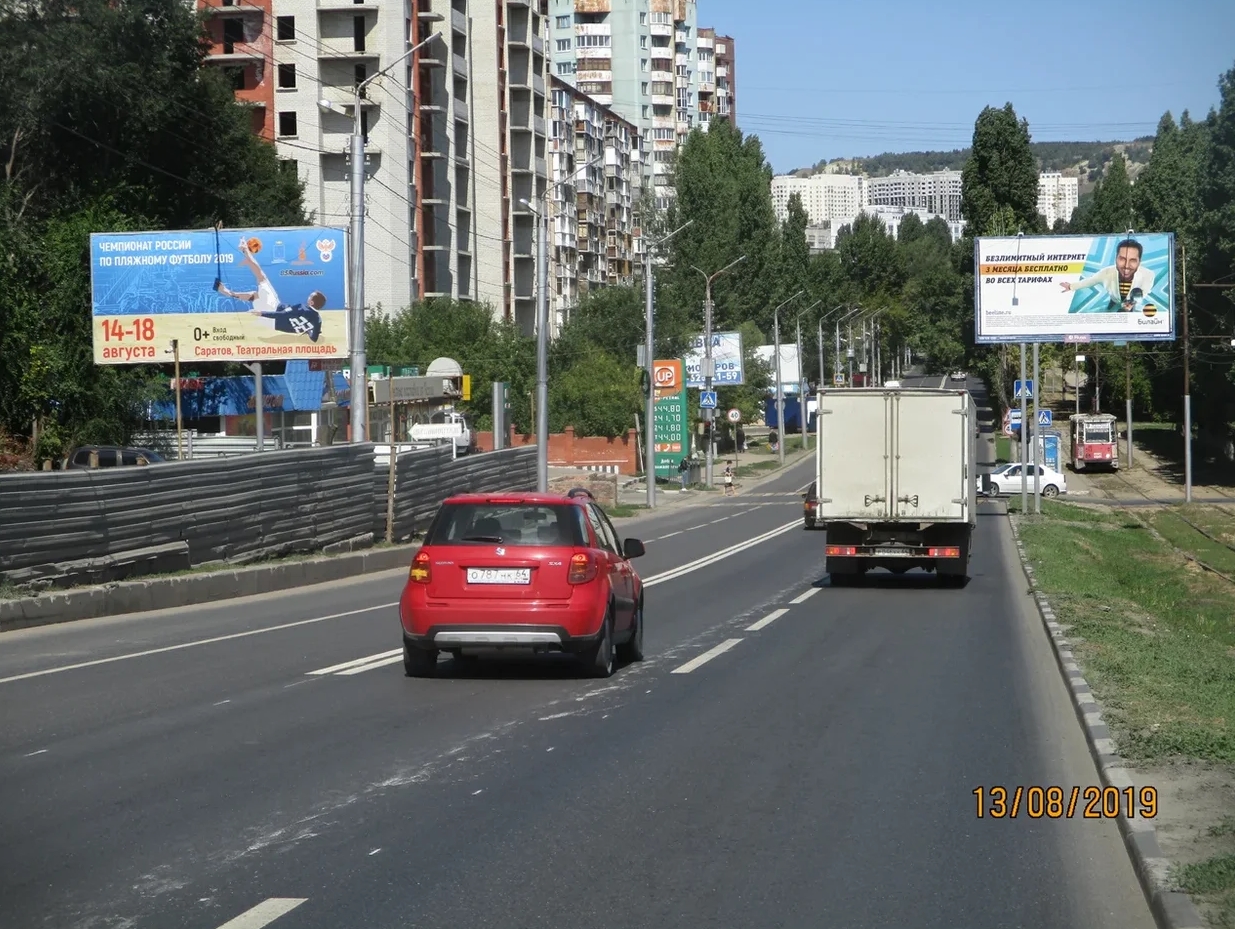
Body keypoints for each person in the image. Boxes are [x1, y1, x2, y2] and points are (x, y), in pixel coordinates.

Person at [215, 238, 326, 341]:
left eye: (310, 296)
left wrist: (262, 313)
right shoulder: (318, 320)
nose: (308, 297)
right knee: (255, 296)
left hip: (272, 310)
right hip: (271, 324)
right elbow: (314, 338)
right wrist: (308, 331)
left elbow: (282, 314)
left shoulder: (303, 308)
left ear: (311, 302)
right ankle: (227, 292)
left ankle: (244, 248)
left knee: (261, 277)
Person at [1059, 238, 1155, 313]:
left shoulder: (1148, 275)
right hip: (1115, 298)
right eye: (1122, 259)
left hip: (1131, 301)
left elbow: (1143, 292)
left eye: (1133, 260)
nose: (1126, 265)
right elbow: (1090, 281)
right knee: (1112, 303)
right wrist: (1071, 286)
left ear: (1139, 262)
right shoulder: (1106, 273)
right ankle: (1112, 302)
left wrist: (1131, 303)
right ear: (1116, 259)